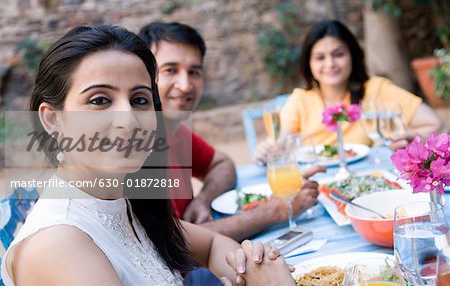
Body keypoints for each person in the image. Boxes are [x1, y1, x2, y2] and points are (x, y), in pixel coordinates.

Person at [0, 25, 277, 285]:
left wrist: (248, 267)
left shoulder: (128, 205)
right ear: (51, 120)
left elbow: (215, 244)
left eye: (139, 100)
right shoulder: (57, 244)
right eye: (100, 100)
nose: (129, 120)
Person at [138, 21, 324, 242]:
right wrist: (274, 211)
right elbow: (176, 242)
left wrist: (203, 199)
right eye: (170, 70)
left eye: (194, 72)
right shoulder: (136, 148)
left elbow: (222, 163)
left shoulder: (172, 130)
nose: (186, 85)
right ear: (144, 74)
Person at [254, 19, 445, 163]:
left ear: (352, 56)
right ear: (309, 63)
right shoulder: (300, 100)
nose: (330, 64)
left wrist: (410, 137)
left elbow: (434, 124)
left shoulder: (376, 90)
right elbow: (281, 144)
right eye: (320, 57)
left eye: (338, 54)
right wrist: (268, 150)